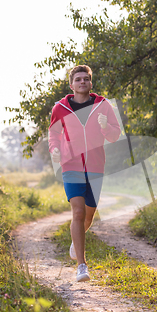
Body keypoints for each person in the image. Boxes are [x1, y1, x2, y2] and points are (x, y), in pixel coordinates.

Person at [48, 65, 121, 282]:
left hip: (96, 166)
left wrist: (106, 126)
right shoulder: (60, 108)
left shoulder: (103, 105)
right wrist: (54, 149)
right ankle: (82, 265)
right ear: (71, 85)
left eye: (86, 79)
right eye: (78, 79)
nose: (82, 82)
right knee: (78, 213)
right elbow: (53, 134)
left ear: (90, 83)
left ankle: (76, 239)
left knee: (88, 216)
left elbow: (115, 136)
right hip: (71, 165)